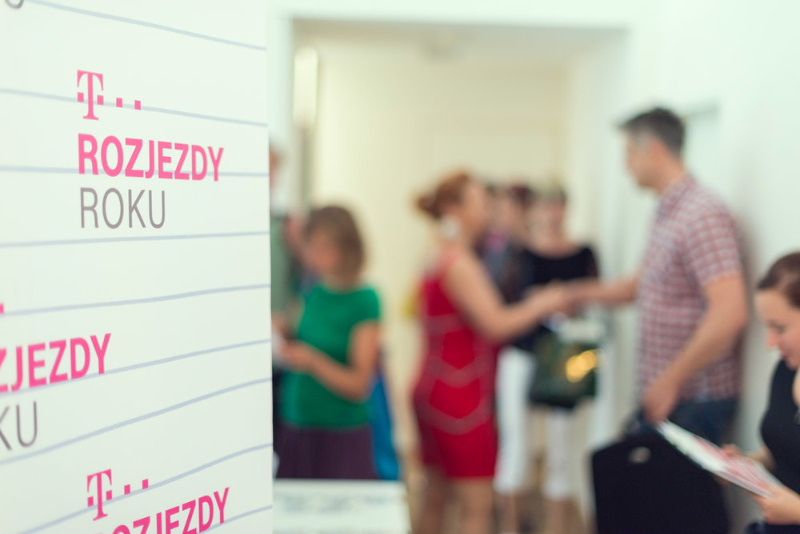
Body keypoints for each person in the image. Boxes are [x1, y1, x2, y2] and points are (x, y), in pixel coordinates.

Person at [570, 107, 749, 445]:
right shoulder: (667, 212)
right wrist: (572, 294)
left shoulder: (701, 214)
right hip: (671, 393)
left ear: (653, 149)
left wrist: (671, 380)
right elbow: (639, 286)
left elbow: (729, 312)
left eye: (629, 153)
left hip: (694, 398)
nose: (625, 165)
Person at [412, 171, 568, 534]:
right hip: (459, 395)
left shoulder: (439, 254)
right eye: (482, 202)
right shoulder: (459, 263)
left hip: (437, 385)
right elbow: (496, 324)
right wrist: (543, 303)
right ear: (456, 209)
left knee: (436, 497)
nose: (489, 209)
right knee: (476, 507)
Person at [494, 185, 599, 534]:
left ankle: (556, 526)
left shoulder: (583, 253)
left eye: (558, 206)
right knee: (516, 445)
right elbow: (507, 301)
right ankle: (511, 524)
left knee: (562, 447)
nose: (552, 214)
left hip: (566, 357)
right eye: (546, 206)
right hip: (523, 353)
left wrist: (562, 300)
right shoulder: (520, 254)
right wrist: (541, 302)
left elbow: (591, 297)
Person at [276, 205, 382, 479]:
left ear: (348, 248)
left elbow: (359, 385)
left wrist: (313, 361)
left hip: (340, 430)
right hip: (298, 422)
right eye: (312, 247)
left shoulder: (365, 300)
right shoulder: (312, 288)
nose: (316, 255)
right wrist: (281, 330)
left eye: (325, 248)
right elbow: (297, 331)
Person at [725, 253, 800, 533]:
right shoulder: (786, 370)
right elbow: (787, 447)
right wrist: (747, 464)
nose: (770, 342)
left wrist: (797, 511)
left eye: (779, 328)